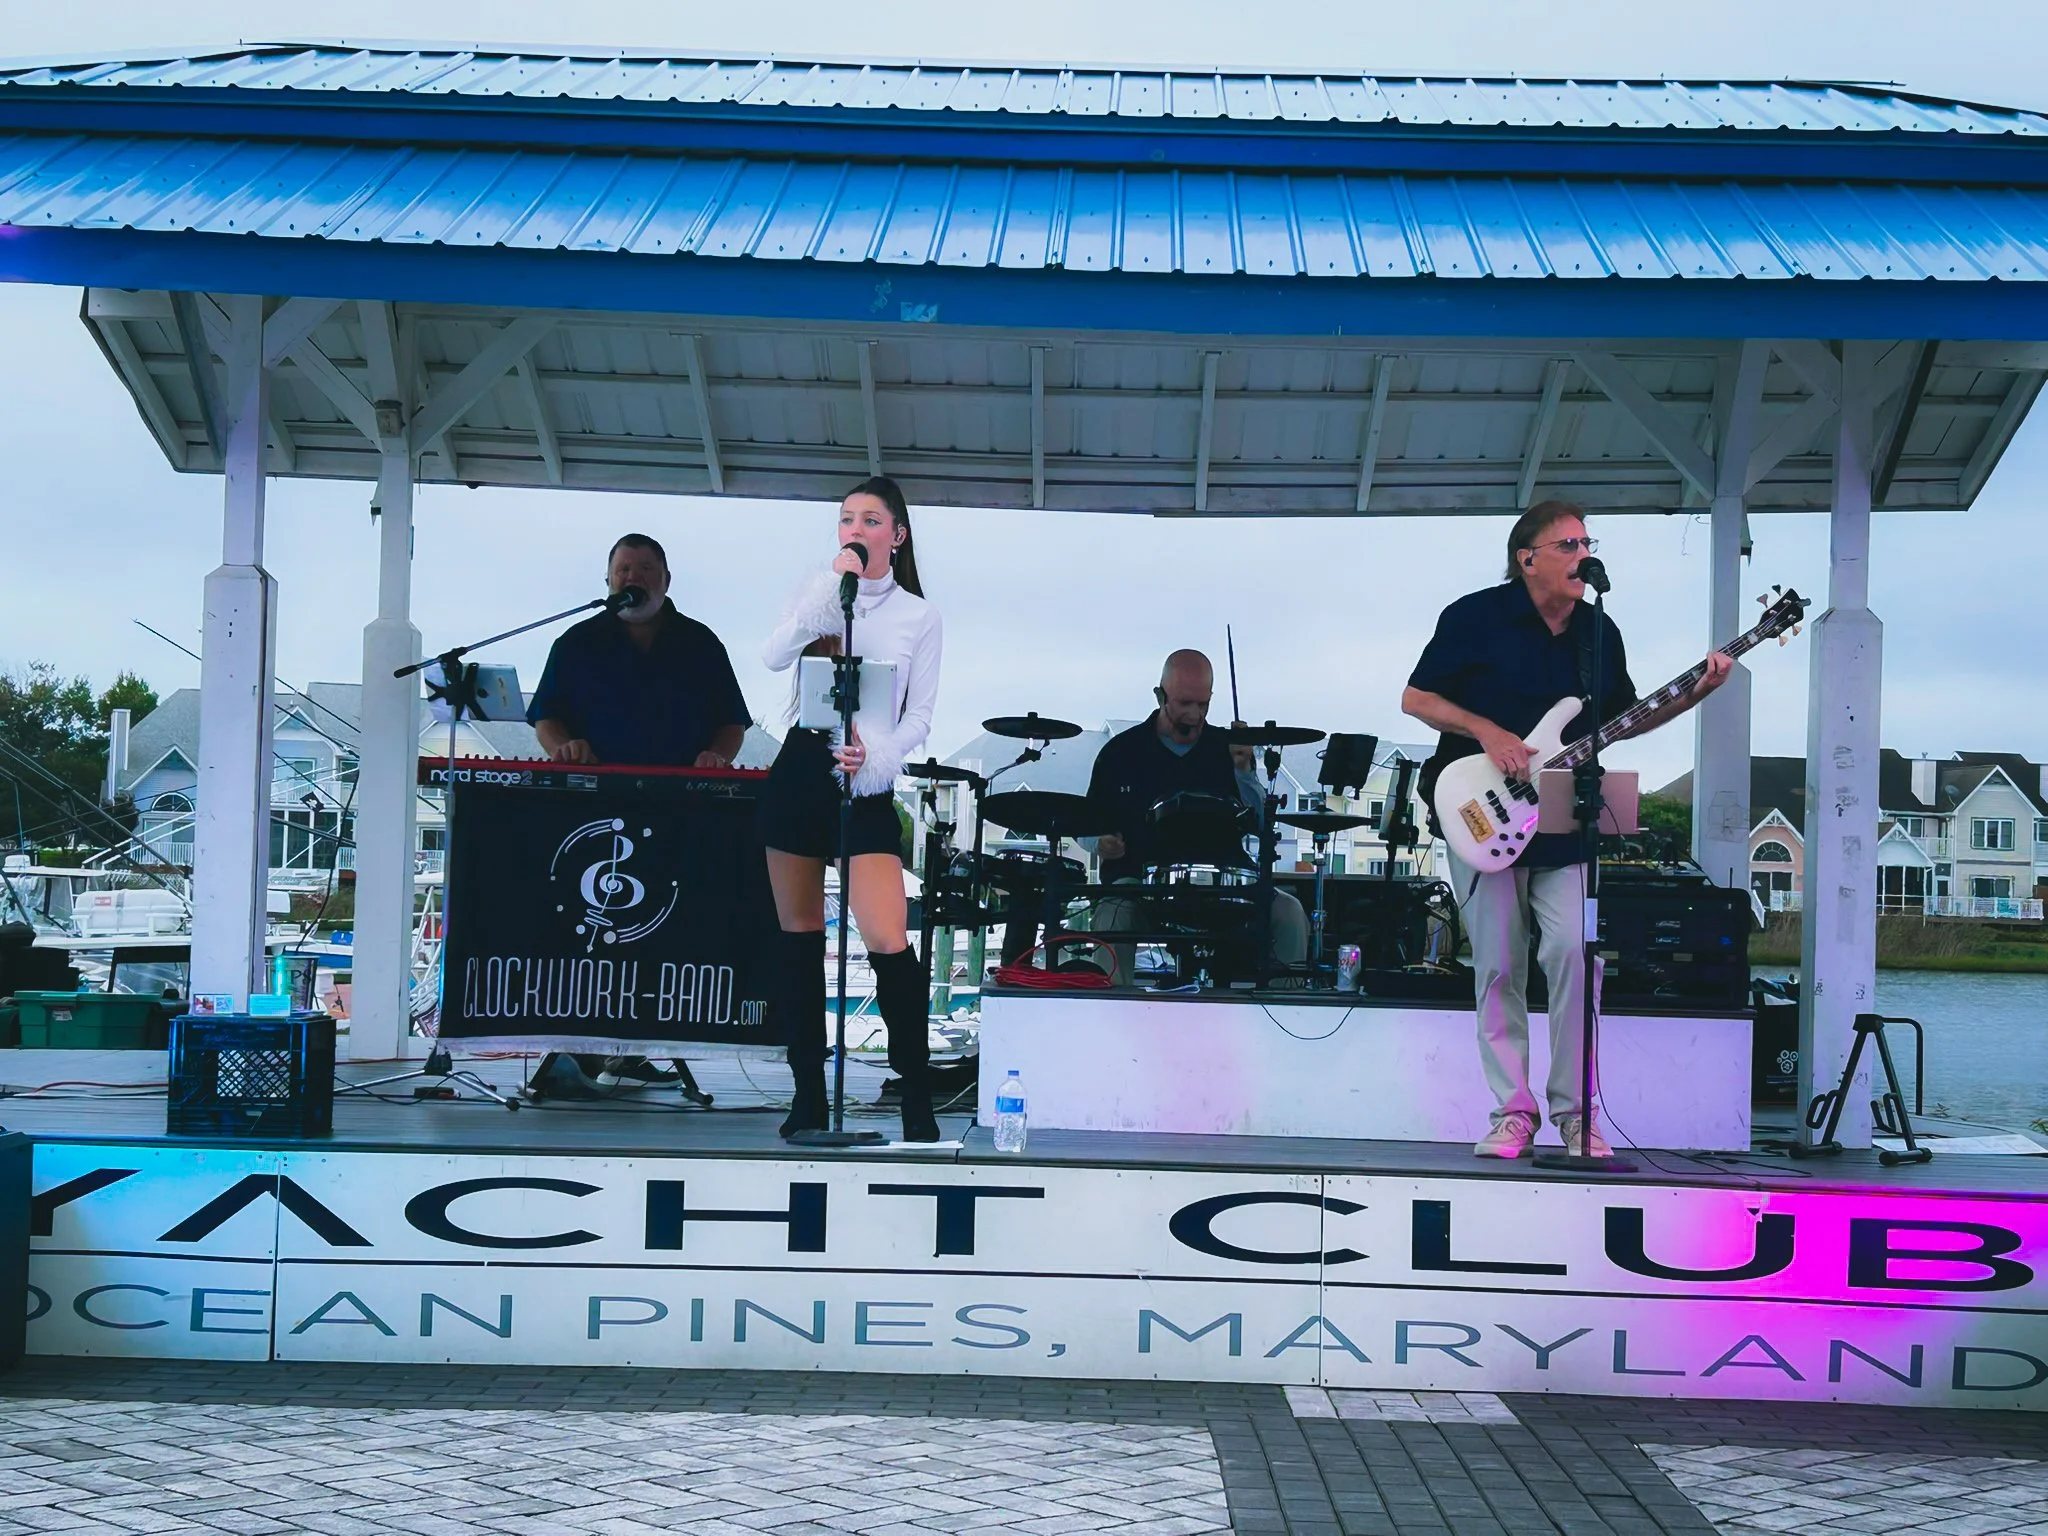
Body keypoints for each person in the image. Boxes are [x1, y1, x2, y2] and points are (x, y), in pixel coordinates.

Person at [1402, 500, 1729, 1159]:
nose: (1584, 554)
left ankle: (1577, 1114)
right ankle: (1512, 1113)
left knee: (1575, 958)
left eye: (1588, 541)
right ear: (1528, 558)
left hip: (1562, 810)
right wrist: (1489, 732)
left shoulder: (1597, 632)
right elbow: (1416, 699)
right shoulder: (1474, 617)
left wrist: (1696, 692)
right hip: (1480, 808)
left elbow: (1624, 719)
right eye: (1569, 544)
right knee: (1498, 965)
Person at [523, 532, 751, 1098]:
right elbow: (545, 715)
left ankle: (643, 1044)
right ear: (608, 580)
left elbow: (732, 721)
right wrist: (562, 747)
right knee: (587, 929)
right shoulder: (576, 641)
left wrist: (717, 757)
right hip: (593, 814)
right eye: (624, 568)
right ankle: (582, 1048)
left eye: (647, 568)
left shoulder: (700, 643)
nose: (635, 577)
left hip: (677, 812)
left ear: (666, 581)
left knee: (663, 927)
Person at [760, 476, 944, 1143]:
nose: (854, 530)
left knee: (887, 937)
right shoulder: (820, 596)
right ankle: (808, 1093)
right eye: (845, 520)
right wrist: (823, 595)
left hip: (864, 774)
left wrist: (877, 755)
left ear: (896, 535)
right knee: (799, 939)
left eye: (870, 520)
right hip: (801, 769)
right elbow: (774, 655)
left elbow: (920, 714)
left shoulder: (919, 616)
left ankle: (915, 1092)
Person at [1084, 650, 1308, 986]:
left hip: (1224, 886)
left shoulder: (1228, 747)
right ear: (1161, 696)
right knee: (1113, 914)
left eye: (1203, 705)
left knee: (1289, 912)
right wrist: (1098, 843)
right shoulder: (1121, 752)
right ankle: (1113, 1020)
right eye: (1185, 703)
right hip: (1144, 886)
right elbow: (1085, 822)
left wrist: (1244, 771)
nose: (1194, 714)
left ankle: (1286, 1017)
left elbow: (1262, 823)